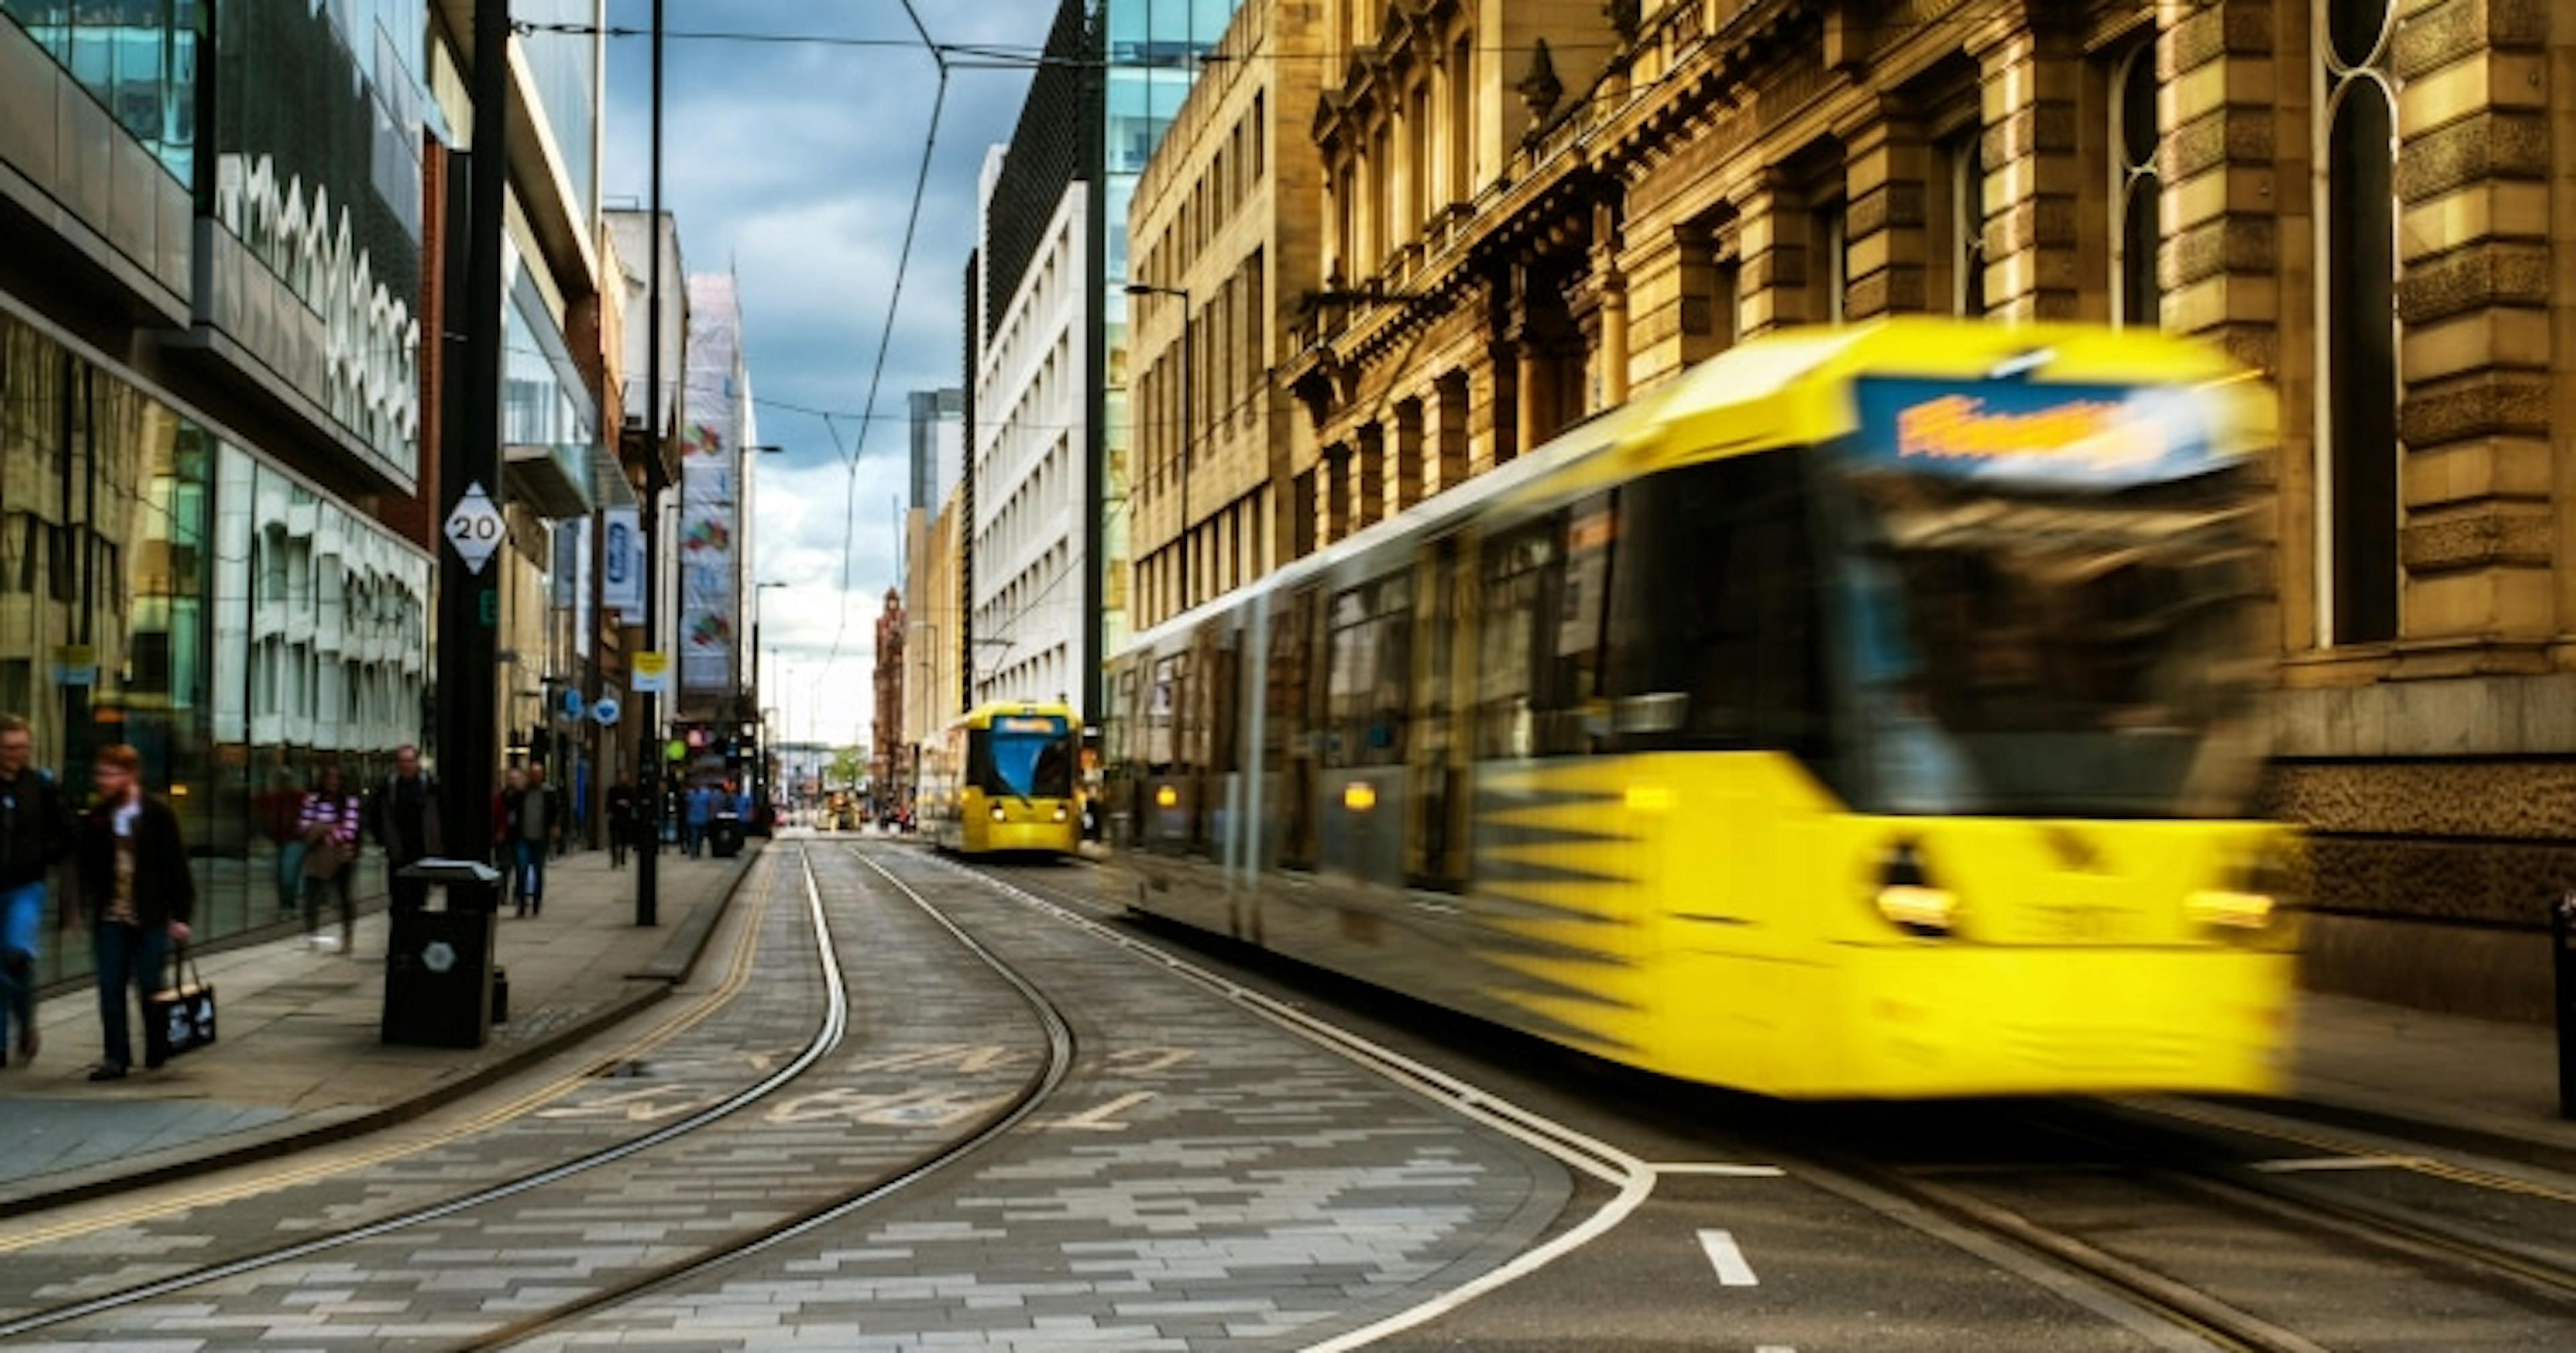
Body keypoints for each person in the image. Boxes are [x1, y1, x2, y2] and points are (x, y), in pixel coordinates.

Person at [71, 744, 192, 1081]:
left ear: (130, 775)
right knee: (110, 986)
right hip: (111, 916)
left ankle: (156, 1045)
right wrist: (78, 905)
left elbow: (176, 868)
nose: (103, 781)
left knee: (151, 985)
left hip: (150, 917)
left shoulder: (157, 814)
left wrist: (182, 916)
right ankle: (116, 1056)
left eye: (111, 774)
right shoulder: (98, 816)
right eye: (101, 774)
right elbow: (86, 866)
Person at [0, 714, 72, 1069]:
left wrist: (48, 855)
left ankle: (26, 1022)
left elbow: (62, 832)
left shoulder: (41, 785)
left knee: (15, 955)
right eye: (10, 748)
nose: (17, 754)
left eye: (22, 747)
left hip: (26, 884)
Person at [298, 763, 361, 952]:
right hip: (316, 856)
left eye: (336, 778)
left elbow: (349, 831)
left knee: (343, 897)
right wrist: (328, 828)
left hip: (340, 857)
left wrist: (323, 830)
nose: (332, 782)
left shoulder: (349, 802)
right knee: (312, 898)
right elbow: (304, 827)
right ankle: (312, 936)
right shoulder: (312, 800)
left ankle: (347, 938)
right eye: (329, 777)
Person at [371, 745, 441, 912]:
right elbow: (375, 814)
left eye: (409, 761)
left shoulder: (430, 786)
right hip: (398, 850)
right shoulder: (389, 787)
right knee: (398, 897)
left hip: (422, 849)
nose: (406, 765)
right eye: (402, 761)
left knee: (418, 897)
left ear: (417, 762)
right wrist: (382, 839)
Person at [502, 764, 551, 917]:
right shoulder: (521, 794)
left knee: (538, 871)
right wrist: (512, 787)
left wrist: (555, 827)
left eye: (538, 775)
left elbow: (554, 812)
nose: (535, 778)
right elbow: (507, 805)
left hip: (540, 837)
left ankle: (536, 903)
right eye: (532, 774)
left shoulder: (548, 793)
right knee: (521, 870)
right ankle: (522, 904)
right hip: (522, 837)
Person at [604, 775, 635, 869]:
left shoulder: (629, 790)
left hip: (625, 818)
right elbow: (609, 802)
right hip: (615, 817)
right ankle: (614, 859)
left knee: (624, 839)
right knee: (614, 839)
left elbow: (633, 802)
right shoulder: (613, 790)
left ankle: (622, 858)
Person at [684, 781, 714, 859]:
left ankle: (698, 850)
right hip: (693, 819)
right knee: (694, 836)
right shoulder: (690, 794)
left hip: (703, 819)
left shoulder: (706, 794)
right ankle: (694, 852)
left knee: (701, 837)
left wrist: (709, 815)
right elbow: (687, 806)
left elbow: (709, 806)